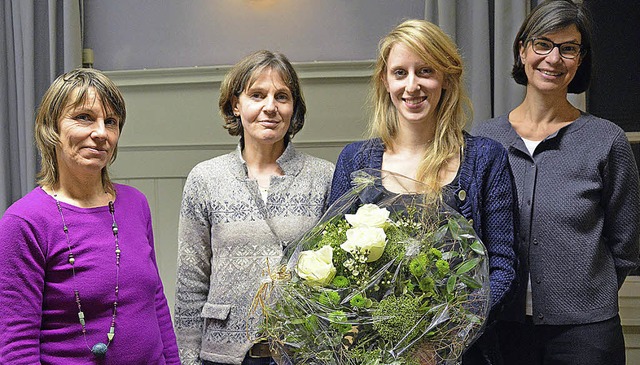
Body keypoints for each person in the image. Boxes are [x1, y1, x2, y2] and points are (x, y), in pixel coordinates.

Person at [328, 19, 517, 364]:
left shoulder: (486, 159)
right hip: (372, 354)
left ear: (446, 78)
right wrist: (373, 334)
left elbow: (502, 267)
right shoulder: (353, 160)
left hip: (462, 354)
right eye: (400, 73)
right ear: (385, 81)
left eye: (425, 71)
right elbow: (332, 259)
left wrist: (442, 339)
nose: (412, 86)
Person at [472, 1, 640, 364]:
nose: (553, 58)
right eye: (543, 44)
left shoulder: (606, 140)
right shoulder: (484, 141)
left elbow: (625, 248)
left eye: (568, 49)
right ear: (522, 49)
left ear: (579, 61)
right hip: (501, 328)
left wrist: (583, 297)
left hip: (585, 335)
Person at [0, 68, 180, 364]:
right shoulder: (24, 222)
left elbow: (155, 303)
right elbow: (17, 347)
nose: (101, 133)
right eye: (84, 117)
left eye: (111, 122)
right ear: (51, 127)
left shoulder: (135, 204)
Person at [174, 50, 334, 365]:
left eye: (282, 97)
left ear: (294, 108)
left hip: (304, 353)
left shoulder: (325, 177)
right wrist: (188, 359)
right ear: (236, 104)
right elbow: (191, 283)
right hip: (222, 354)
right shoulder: (205, 179)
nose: (270, 107)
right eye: (257, 95)